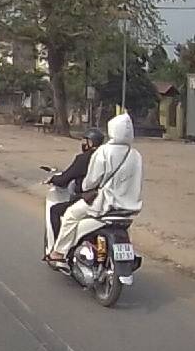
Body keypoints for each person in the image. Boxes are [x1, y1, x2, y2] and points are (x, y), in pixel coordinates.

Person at [48, 113, 143, 264]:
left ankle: (59, 252)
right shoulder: (135, 155)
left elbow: (91, 182)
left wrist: (85, 187)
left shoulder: (104, 152)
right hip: (128, 206)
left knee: (70, 215)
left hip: (103, 204)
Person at [44, 128, 104, 257]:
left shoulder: (84, 159)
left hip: (89, 200)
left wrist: (53, 179)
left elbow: (65, 178)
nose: (83, 144)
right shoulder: (109, 157)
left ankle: (59, 250)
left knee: (56, 211)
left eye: (85, 141)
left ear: (91, 142)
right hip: (113, 202)